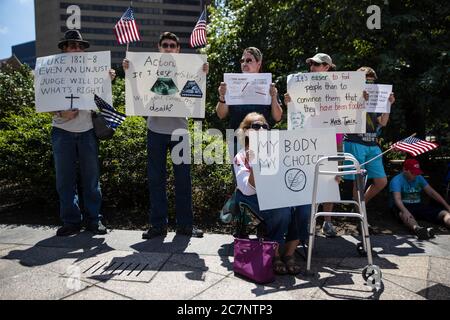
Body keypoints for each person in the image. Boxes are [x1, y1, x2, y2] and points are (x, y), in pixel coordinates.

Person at [123, 32, 208, 239]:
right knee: (156, 180)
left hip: (180, 131)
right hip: (155, 131)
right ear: (159, 48)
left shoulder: (189, 71)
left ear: (178, 49)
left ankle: (185, 226)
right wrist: (129, 72)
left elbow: (195, 100)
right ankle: (158, 226)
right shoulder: (147, 70)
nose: (169, 48)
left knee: (183, 180)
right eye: (165, 45)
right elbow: (138, 98)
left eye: (172, 45)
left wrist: (203, 74)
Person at [52, 30, 116, 236]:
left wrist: (108, 80)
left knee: (91, 179)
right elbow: (43, 102)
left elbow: (102, 98)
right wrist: (61, 112)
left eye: (80, 46)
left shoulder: (92, 71)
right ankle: (71, 221)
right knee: (65, 180)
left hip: (87, 129)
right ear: (64, 49)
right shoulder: (52, 72)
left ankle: (94, 220)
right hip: (62, 130)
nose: (77, 49)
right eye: (72, 46)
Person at [234, 112, 302, 275]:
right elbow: (247, 189)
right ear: (246, 131)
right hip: (252, 200)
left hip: (278, 197)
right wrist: (256, 162)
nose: (262, 129)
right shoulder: (241, 156)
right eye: (256, 126)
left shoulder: (279, 152)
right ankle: (275, 254)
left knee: (304, 207)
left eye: (265, 126)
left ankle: (289, 253)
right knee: (282, 210)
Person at [284, 53, 338, 238]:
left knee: (329, 179)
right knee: (307, 179)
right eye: (311, 64)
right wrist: (290, 102)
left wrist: (360, 98)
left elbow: (346, 111)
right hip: (306, 138)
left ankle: (327, 222)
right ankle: (307, 222)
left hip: (330, 137)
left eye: (317, 64)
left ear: (327, 67)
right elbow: (296, 111)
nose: (313, 67)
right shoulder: (301, 85)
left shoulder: (338, 87)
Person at [343, 67, 395, 220]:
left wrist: (388, 104)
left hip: (372, 143)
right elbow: (345, 119)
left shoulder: (376, 98)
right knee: (358, 182)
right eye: (366, 79)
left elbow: (383, 122)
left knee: (381, 181)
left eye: (372, 80)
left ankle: (360, 207)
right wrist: (360, 102)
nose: (369, 82)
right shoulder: (350, 95)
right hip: (355, 141)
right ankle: (360, 215)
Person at [216, 47, 283, 157]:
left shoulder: (267, 85)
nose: (244, 63)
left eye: (249, 60)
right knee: (240, 174)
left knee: (262, 174)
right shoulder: (232, 84)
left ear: (259, 63)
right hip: (237, 141)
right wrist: (222, 96)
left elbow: (278, 117)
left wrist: (274, 97)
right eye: (242, 60)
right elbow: (221, 114)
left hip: (263, 141)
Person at [390, 159, 450, 240]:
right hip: (402, 206)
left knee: (444, 212)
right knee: (403, 214)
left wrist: (447, 206)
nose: (415, 175)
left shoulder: (419, 177)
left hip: (418, 205)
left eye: (417, 173)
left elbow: (432, 193)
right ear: (404, 170)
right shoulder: (396, 180)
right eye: (412, 173)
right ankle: (418, 229)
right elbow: (397, 199)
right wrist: (405, 211)